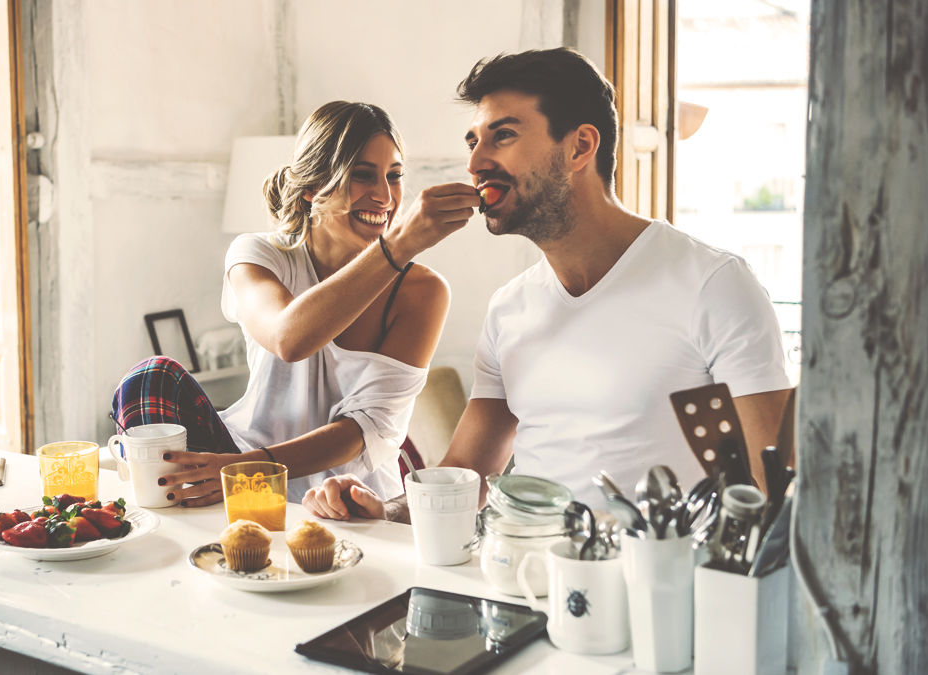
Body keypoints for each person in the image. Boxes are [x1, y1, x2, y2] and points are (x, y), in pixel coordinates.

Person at [303, 48, 792, 522]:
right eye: (474, 141)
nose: (475, 164)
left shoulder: (713, 285)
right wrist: (382, 509)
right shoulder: (509, 308)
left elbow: (775, 486)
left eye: (504, 136)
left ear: (580, 146)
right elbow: (465, 477)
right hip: (521, 586)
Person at [113, 101, 479, 506]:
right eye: (361, 175)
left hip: (346, 495)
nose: (384, 197)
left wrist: (252, 471)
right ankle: (184, 527)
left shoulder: (422, 291)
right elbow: (288, 338)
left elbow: (365, 429)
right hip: (241, 463)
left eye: (394, 176)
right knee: (148, 380)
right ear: (311, 188)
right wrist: (400, 243)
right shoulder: (258, 255)